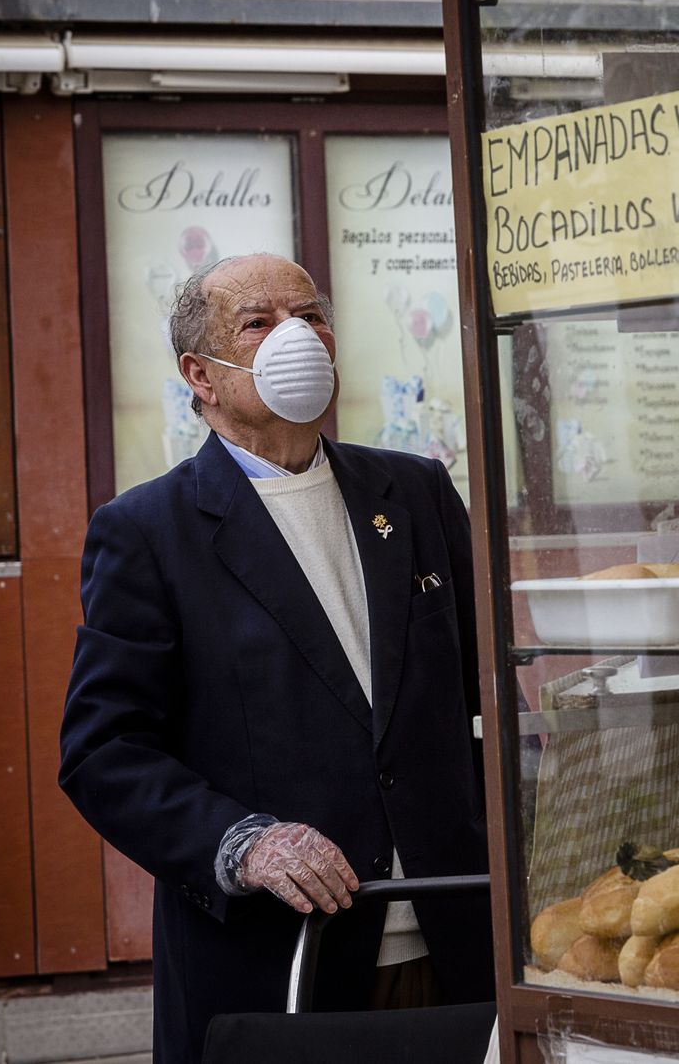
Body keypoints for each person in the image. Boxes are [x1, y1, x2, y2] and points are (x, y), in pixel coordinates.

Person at [60, 253, 493, 1064]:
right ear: (200, 374)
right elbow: (103, 751)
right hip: (281, 957)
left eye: (311, 314)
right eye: (259, 322)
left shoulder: (416, 492)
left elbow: (486, 690)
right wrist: (242, 843)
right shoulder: (149, 531)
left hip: (455, 934)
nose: (299, 335)